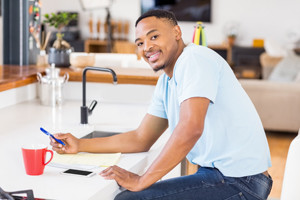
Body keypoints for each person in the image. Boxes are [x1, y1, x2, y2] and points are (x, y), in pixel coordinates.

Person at [50, 9, 273, 200]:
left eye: (153, 37)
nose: (146, 47)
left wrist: (142, 180)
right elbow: (141, 138)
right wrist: (80, 144)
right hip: (223, 177)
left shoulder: (194, 59)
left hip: (240, 182)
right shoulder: (166, 81)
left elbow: (190, 128)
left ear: (177, 33)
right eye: (140, 43)